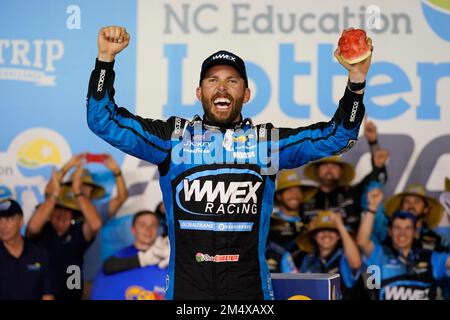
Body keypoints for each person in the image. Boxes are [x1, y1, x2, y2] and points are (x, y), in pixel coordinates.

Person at [86, 25, 372, 300]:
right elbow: (103, 121)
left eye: (232, 81)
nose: (222, 88)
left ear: (246, 94)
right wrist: (105, 60)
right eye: (212, 80)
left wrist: (356, 81)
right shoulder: (174, 139)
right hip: (187, 297)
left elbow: (337, 137)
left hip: (249, 296)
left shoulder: (266, 144)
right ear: (199, 93)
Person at [357, 188, 450, 300]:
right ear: (390, 231)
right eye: (397, 228)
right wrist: (372, 208)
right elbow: (362, 241)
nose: (402, 233)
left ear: (415, 232)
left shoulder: (432, 258)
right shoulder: (381, 254)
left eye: (408, 228)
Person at [26, 163, 102, 300]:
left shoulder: (78, 232)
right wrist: (54, 195)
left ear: (73, 214)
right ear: (50, 210)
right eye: (57, 208)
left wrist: (78, 192)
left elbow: (95, 225)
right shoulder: (42, 230)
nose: (62, 214)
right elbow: (32, 227)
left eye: (67, 210)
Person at [59, 153, 128, 298]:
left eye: (87, 185)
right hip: (57, 275)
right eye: (79, 183)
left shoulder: (97, 210)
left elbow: (121, 198)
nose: (82, 188)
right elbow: (49, 193)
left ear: (92, 190)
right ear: (71, 187)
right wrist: (66, 167)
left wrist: (117, 171)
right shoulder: (58, 210)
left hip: (88, 278)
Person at [302, 120, 389, 234]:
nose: (329, 169)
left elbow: (377, 178)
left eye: (334, 166)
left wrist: (373, 143)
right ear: (317, 170)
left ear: (341, 172)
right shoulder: (305, 199)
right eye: (325, 165)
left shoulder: (353, 193)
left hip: (351, 248)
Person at [91, 210, 169, 300]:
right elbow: (107, 268)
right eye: (142, 225)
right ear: (133, 230)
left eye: (153, 225)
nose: (148, 229)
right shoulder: (118, 257)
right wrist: (142, 259)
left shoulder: (166, 257)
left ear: (158, 229)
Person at [291, 211, 362, 299]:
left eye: (332, 231)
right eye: (321, 230)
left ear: (339, 236)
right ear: (314, 236)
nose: (326, 235)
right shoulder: (307, 259)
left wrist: (341, 226)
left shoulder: (344, 257)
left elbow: (356, 263)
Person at [0, 199, 57, 300]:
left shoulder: (40, 254)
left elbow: (48, 295)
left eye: (9, 219)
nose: (2, 226)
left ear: (21, 221)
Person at [384, 184, 448, 252]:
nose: (411, 205)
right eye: (407, 201)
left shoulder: (438, 239)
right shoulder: (388, 233)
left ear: (425, 209)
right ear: (401, 207)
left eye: (417, 202)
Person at [268, 169, 317, 252]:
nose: (294, 195)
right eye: (289, 191)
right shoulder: (271, 223)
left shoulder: (310, 222)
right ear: (279, 196)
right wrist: (306, 234)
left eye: (298, 191)